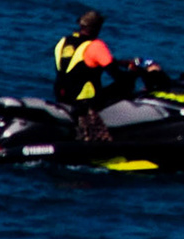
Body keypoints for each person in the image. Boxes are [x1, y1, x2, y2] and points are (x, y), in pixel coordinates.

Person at [52, 7, 143, 142]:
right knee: (125, 83)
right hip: (85, 103)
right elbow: (117, 75)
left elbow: (82, 62)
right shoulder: (96, 46)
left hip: (63, 98)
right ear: (97, 27)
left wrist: (123, 62)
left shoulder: (63, 42)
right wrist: (135, 73)